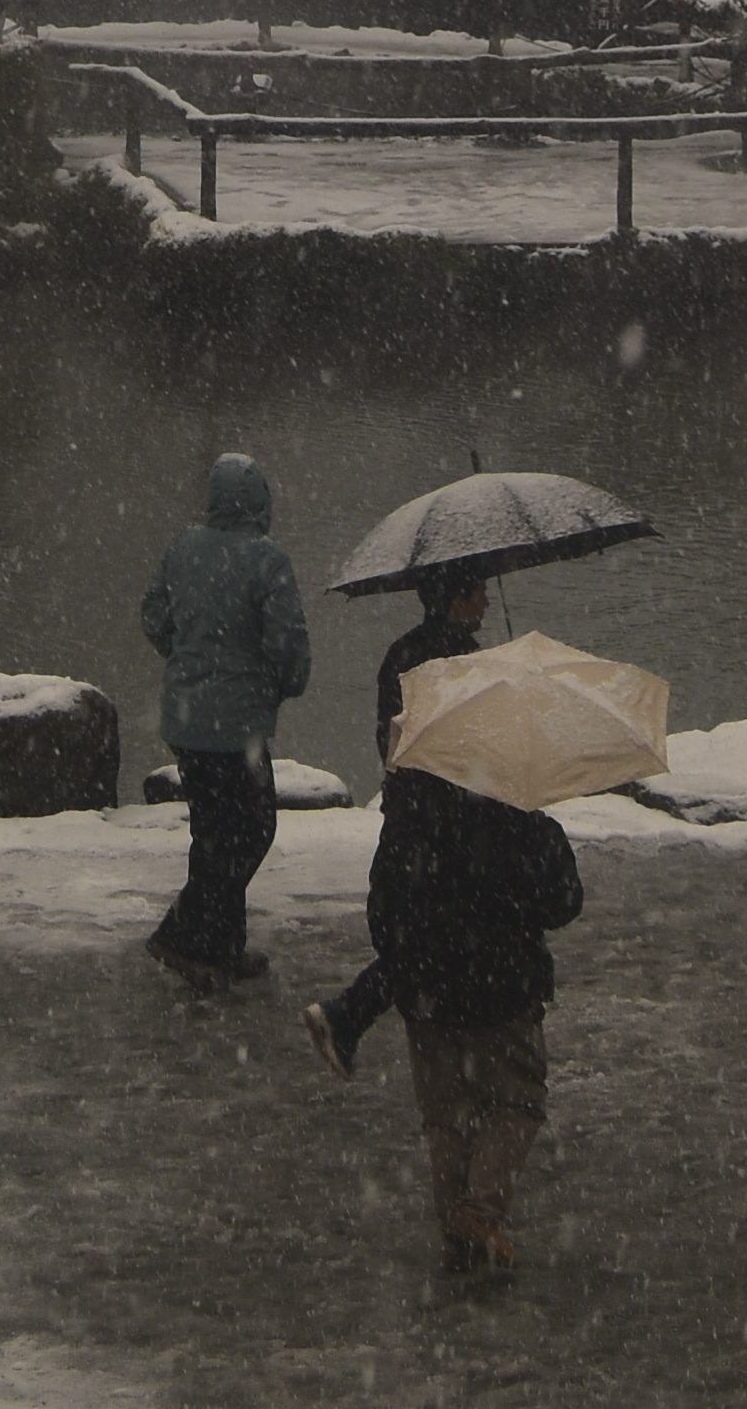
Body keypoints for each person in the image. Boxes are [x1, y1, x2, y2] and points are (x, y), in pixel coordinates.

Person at [370, 676, 590, 1284]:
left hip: (426, 993)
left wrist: (407, 961)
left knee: (446, 1114)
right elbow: (563, 902)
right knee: (516, 1101)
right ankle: (480, 1209)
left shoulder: (408, 814)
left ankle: (458, 1236)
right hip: (504, 989)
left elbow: (382, 907)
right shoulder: (520, 818)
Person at [306, 567, 499, 1077]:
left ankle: (352, 1015)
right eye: (479, 589)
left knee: (422, 937)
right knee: (439, 938)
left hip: (408, 819)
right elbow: (480, 750)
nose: (486, 600)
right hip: (451, 826)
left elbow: (388, 743)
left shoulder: (400, 655)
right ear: (457, 599)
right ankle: (353, 1015)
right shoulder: (466, 665)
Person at [140, 453, 313, 988]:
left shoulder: (183, 549)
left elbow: (152, 615)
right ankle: (181, 935)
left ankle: (220, 949)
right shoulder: (267, 561)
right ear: (260, 502)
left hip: (187, 723)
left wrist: (185, 655)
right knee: (254, 830)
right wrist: (281, 685)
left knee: (213, 834)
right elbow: (287, 645)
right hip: (239, 728)